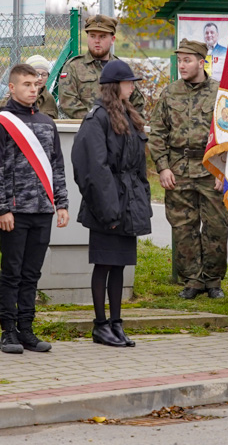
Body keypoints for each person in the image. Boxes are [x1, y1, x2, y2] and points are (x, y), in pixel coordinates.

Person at [0, 63, 70, 354]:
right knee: (12, 270)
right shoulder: (0, 123)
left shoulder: (47, 123)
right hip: (14, 211)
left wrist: (62, 203)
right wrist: (1, 208)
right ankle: (7, 331)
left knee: (32, 272)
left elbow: (57, 166)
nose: (33, 89)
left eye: (36, 85)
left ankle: (27, 330)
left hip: (42, 210)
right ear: (12, 88)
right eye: (26, 84)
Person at [72, 60, 152, 347]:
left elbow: (138, 165)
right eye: (129, 82)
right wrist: (108, 210)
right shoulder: (98, 118)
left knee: (119, 265)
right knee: (104, 264)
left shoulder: (128, 115)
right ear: (115, 86)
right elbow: (93, 167)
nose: (133, 86)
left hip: (126, 203)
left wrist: (141, 198)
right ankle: (100, 325)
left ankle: (116, 323)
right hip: (107, 205)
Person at [148, 39, 228, 299]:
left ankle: (213, 280)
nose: (182, 65)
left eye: (187, 60)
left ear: (201, 62)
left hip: (210, 169)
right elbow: (158, 133)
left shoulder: (221, 93)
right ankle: (193, 280)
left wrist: (224, 170)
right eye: (179, 60)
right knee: (183, 227)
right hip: (179, 168)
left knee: (217, 226)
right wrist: (162, 167)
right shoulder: (170, 93)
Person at [58, 15, 145, 119]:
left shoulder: (120, 68)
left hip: (117, 129)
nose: (97, 41)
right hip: (83, 128)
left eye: (102, 36)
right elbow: (67, 101)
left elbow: (136, 102)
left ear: (112, 39)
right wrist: (95, 120)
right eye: (92, 36)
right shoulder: (73, 66)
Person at [24, 55, 59, 119]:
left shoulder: (50, 99)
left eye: (44, 75)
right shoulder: (16, 96)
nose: (40, 78)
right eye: (36, 74)